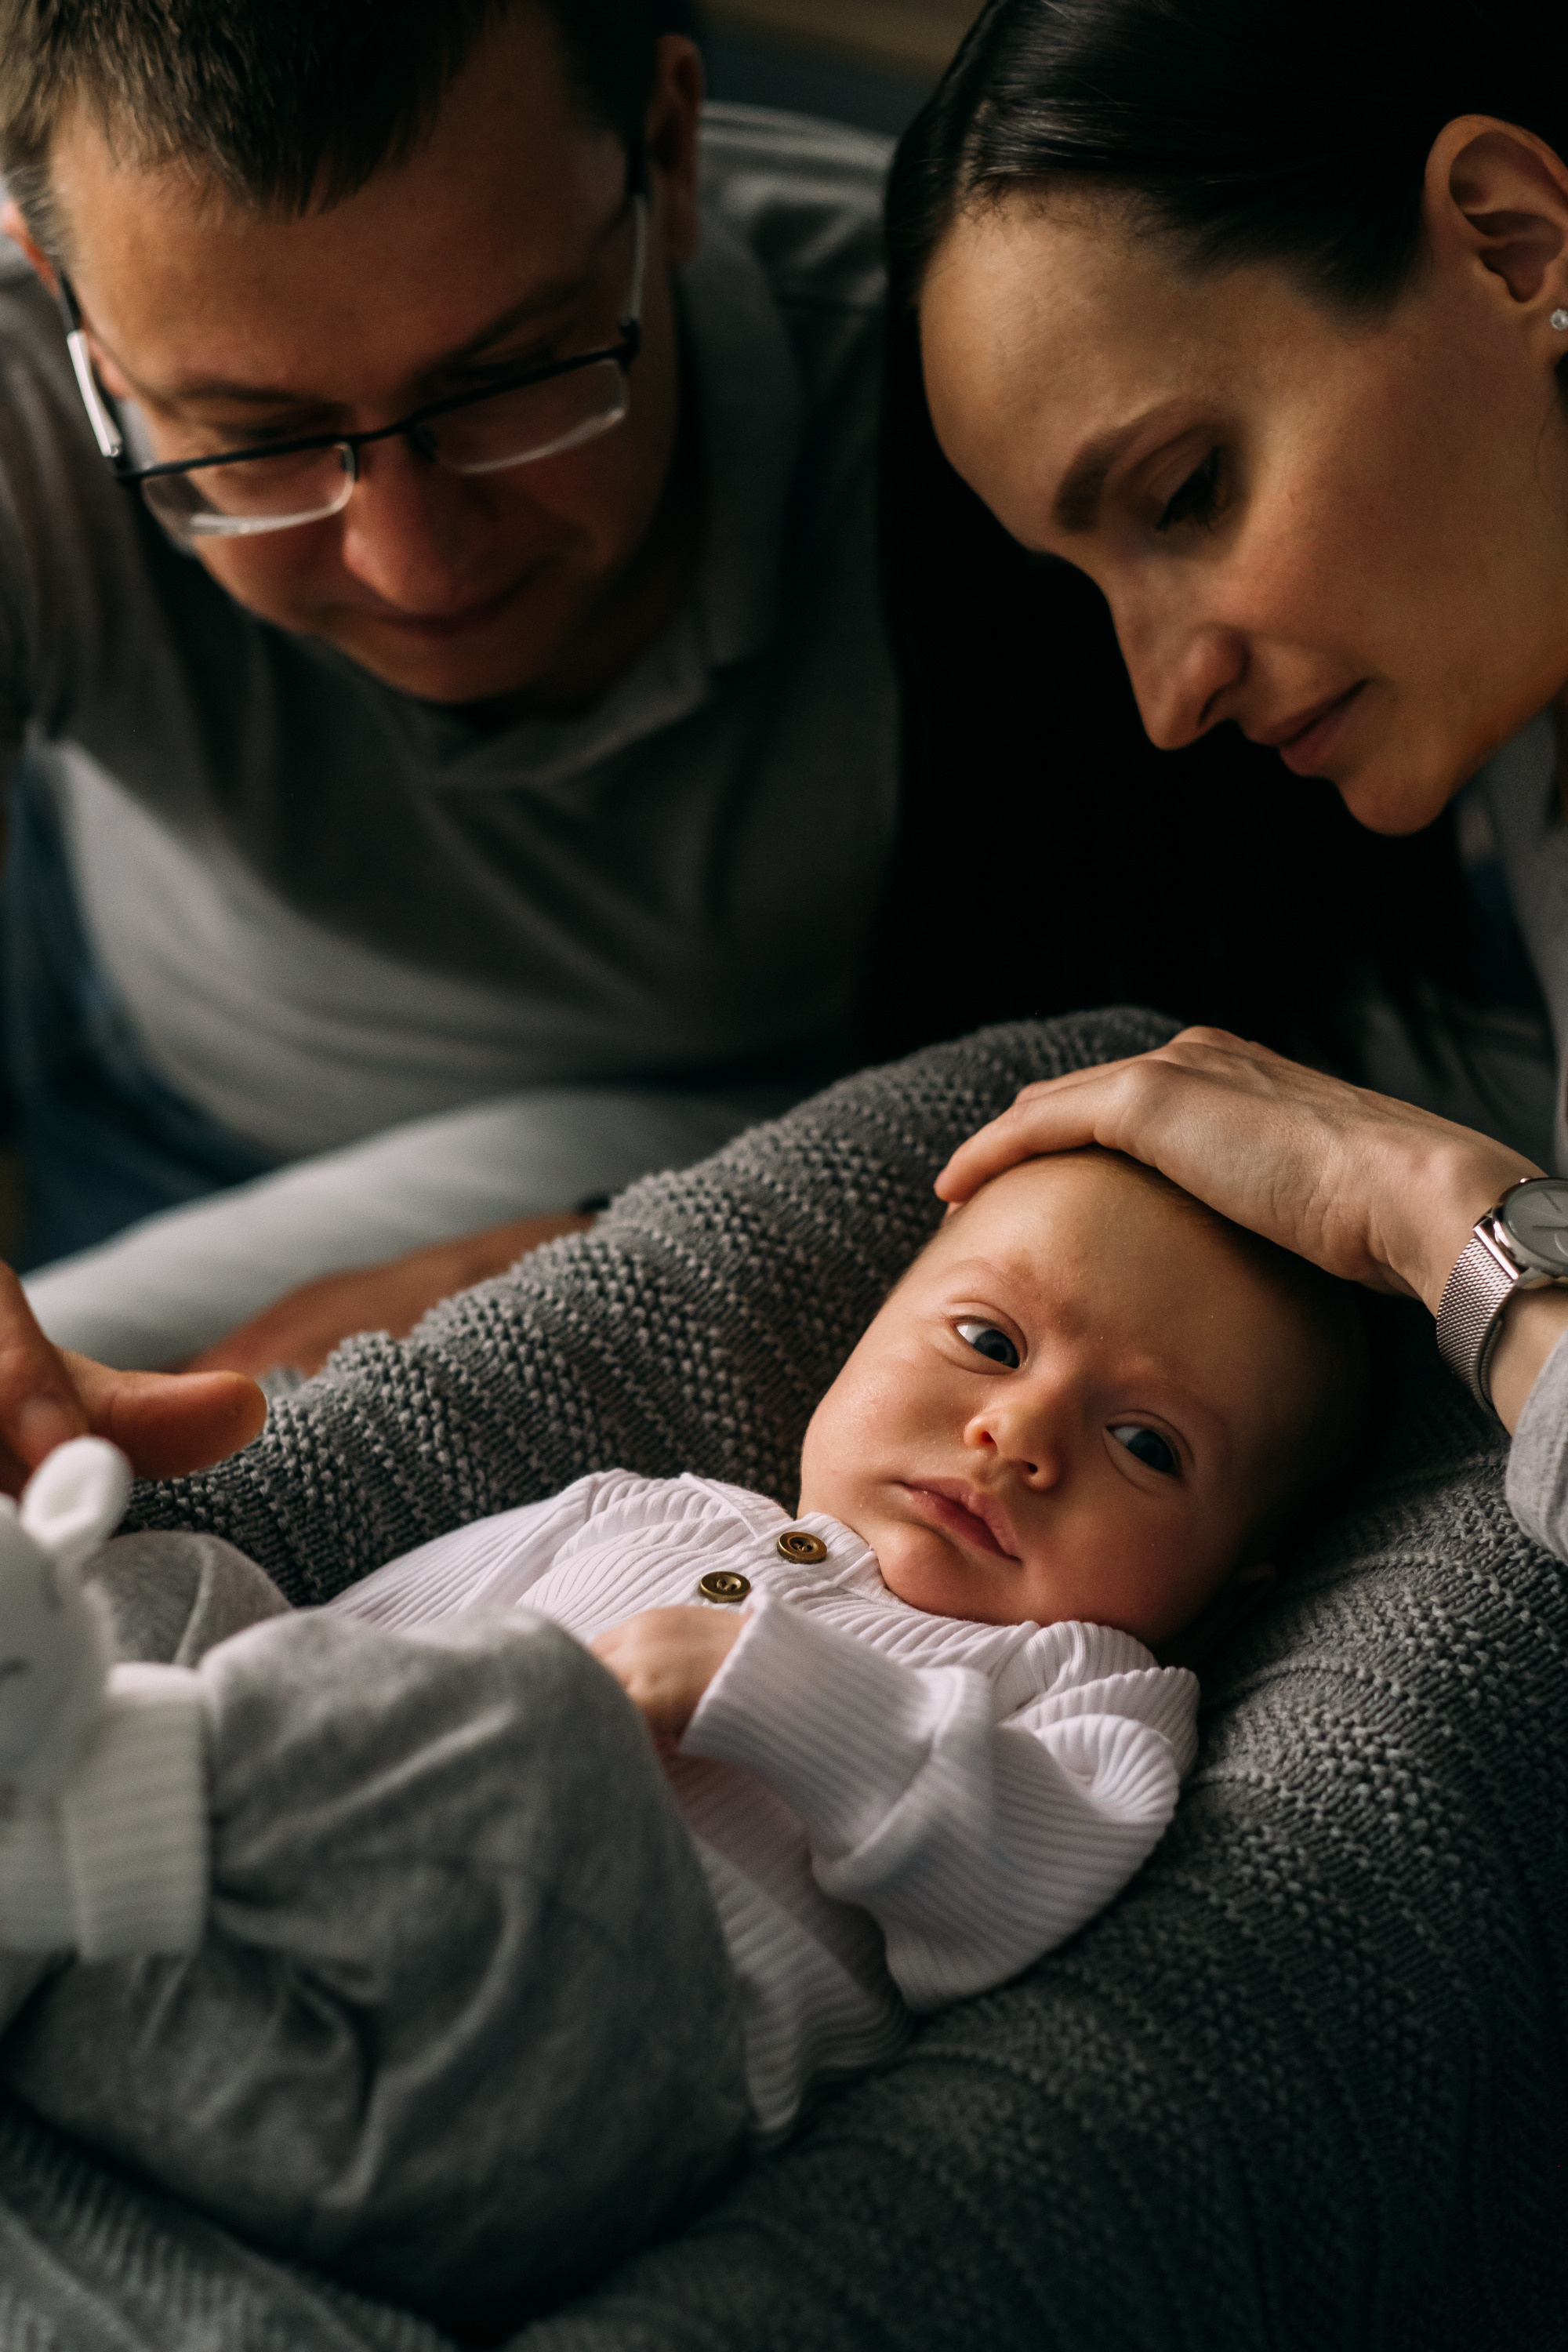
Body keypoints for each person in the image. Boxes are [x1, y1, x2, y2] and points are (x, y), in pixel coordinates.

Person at [0, 1145, 1364, 2325]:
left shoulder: (1089, 1688)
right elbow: (336, 1662)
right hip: (207, 1978)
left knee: (541, 1720)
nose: (1017, 1435)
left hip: (549, 2081)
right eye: (990, 1343)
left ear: (1226, 1584)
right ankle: (48, 1862)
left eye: (1146, 1445)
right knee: (188, 1584)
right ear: (863, 1335)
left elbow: (1015, 1892)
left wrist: (777, 1688)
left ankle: (66, 1823)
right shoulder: (643, 1510)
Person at [0, 0, 895, 1376]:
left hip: (694, 1146)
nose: (411, 568)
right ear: (63, 299)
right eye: (257, 439)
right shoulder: (20, 380)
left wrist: (608, 1239)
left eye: (511, 378)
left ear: (668, 151)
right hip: (110, 1011)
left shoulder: (960, 401)